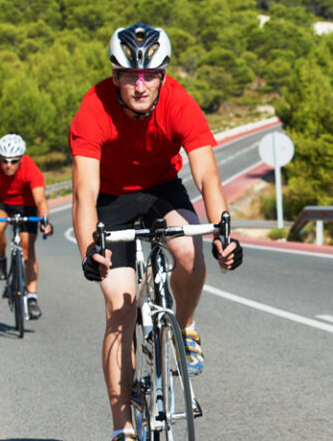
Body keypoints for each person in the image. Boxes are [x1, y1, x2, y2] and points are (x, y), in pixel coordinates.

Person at [70, 22, 243, 441]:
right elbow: (84, 192)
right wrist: (89, 249)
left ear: (163, 76)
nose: (140, 84)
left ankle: (184, 327)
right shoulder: (93, 109)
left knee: (190, 251)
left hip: (161, 190)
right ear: (115, 76)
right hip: (110, 198)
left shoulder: (179, 103)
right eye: (130, 74)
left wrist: (224, 231)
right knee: (120, 310)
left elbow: (207, 175)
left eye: (150, 75)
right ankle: (123, 428)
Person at [0, 133, 53, 319]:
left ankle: (32, 298)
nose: (8, 165)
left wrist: (45, 221)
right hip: (2, 203)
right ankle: (1, 260)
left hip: (27, 204)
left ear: (20, 159)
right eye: (4, 161)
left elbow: (40, 199)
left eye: (13, 161)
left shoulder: (30, 167)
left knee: (27, 249)